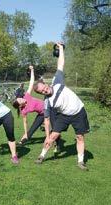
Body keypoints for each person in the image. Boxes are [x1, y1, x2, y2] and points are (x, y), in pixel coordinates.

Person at [33, 42, 90, 170]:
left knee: (80, 136)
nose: (45, 90)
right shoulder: (47, 102)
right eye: (42, 91)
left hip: (78, 112)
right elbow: (46, 120)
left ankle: (80, 162)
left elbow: (60, 64)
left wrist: (60, 49)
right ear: (41, 93)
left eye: (44, 87)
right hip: (64, 115)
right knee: (53, 136)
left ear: (46, 84)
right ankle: (42, 156)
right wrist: (47, 136)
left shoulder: (57, 82)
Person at [12, 65, 46, 145]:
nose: (21, 98)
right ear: (20, 106)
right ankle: (21, 142)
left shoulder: (26, 96)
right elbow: (25, 122)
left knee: (55, 128)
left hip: (49, 109)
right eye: (20, 100)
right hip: (41, 114)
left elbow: (31, 82)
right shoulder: (23, 110)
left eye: (20, 98)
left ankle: (56, 142)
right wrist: (25, 132)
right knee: (32, 129)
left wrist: (32, 71)